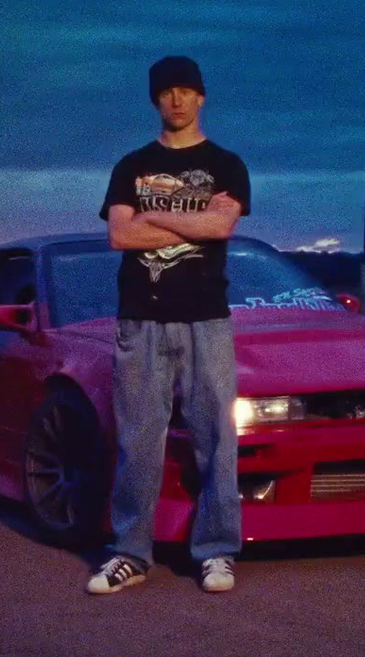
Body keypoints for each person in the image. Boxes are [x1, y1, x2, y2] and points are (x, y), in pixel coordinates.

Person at [87, 55, 251, 595]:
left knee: (216, 436)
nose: (176, 100)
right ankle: (131, 552)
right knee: (139, 439)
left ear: (202, 97)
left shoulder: (227, 165)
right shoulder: (129, 166)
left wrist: (151, 215)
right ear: (154, 100)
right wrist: (194, 224)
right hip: (141, 320)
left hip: (207, 319)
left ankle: (217, 551)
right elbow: (120, 238)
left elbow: (221, 226)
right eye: (166, 92)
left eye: (186, 91)